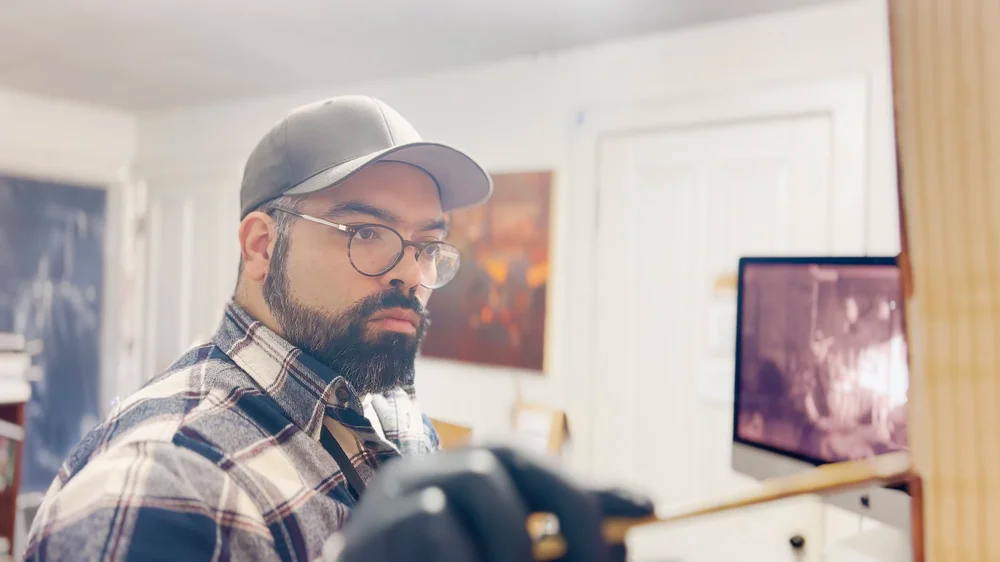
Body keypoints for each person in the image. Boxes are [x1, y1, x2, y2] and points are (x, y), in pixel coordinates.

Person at [24, 96, 652, 561]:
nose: (410, 272)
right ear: (262, 247)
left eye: (428, 245)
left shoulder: (389, 413)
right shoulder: (164, 480)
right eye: (367, 234)